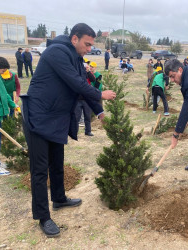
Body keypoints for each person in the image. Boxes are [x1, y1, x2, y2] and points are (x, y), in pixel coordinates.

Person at [20, 23, 116, 238]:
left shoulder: (76, 57)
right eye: (87, 44)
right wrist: (101, 95)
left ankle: (59, 198)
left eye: (92, 45)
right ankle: (43, 217)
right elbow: (76, 83)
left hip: (55, 118)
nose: (90, 48)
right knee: (39, 170)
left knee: (57, 162)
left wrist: (99, 113)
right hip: (38, 116)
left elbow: (81, 83)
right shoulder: (57, 52)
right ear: (74, 39)